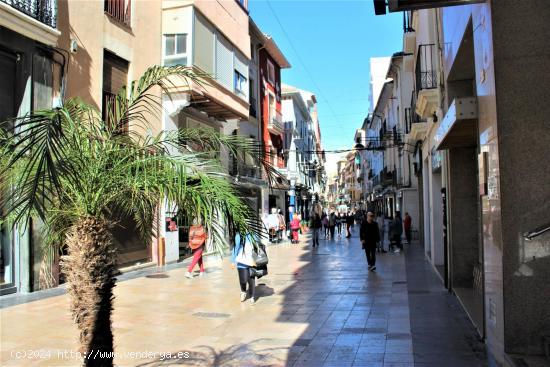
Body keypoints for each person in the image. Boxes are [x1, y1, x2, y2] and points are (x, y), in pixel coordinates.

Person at [232, 231, 258, 304]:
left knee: (251, 281)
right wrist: (232, 261)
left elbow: (258, 247)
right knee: (243, 280)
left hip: (251, 262)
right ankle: (243, 291)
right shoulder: (239, 235)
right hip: (241, 262)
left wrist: (255, 259)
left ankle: (252, 297)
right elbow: (235, 248)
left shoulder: (253, 234)